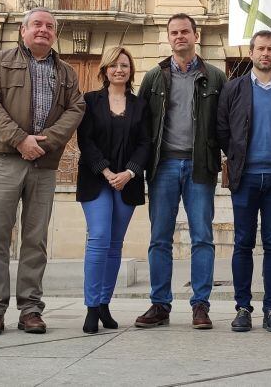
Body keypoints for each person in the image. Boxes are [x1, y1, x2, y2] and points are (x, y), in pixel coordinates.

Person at [0, 8, 86, 337]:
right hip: (6, 158)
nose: (43, 30)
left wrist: (46, 142)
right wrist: (19, 139)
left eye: (49, 26)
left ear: (55, 34)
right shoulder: (1, 61)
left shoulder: (66, 72)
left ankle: (31, 309)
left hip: (44, 164)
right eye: (37, 24)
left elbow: (77, 107)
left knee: (35, 239)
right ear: (23, 31)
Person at [135, 13, 226, 330]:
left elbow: (224, 123)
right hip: (163, 167)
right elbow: (140, 123)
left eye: (185, 31)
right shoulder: (153, 77)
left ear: (195, 35)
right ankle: (159, 304)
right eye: (173, 32)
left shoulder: (215, 77)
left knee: (202, 237)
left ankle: (200, 305)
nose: (179, 37)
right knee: (160, 238)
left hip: (200, 166)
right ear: (168, 37)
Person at [217, 30, 271, 333]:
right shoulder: (233, 88)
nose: (266, 54)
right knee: (242, 243)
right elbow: (223, 128)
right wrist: (237, 155)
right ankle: (242, 308)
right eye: (260, 49)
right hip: (245, 178)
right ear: (251, 53)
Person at [76, 46, 151, 334]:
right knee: (99, 238)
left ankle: (105, 303)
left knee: (115, 244)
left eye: (124, 65)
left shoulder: (140, 105)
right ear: (105, 70)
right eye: (114, 65)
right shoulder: (90, 101)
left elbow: (145, 142)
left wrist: (129, 172)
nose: (119, 69)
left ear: (130, 70)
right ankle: (91, 307)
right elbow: (86, 140)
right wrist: (107, 171)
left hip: (127, 181)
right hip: (97, 179)